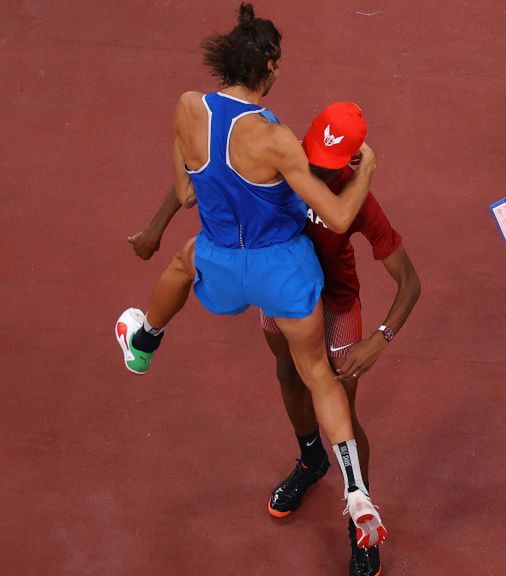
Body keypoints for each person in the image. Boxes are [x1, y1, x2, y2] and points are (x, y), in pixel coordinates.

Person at [114, 3, 387, 550]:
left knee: (182, 260)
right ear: (269, 67)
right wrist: (369, 171)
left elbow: (188, 189)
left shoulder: (188, 109)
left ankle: (145, 340)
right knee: (318, 375)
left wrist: (156, 224)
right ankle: (355, 491)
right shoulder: (276, 139)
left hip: (220, 260)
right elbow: (335, 216)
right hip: (283, 271)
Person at [130, 102, 419, 575]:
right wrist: (155, 228)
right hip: (280, 293)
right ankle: (311, 462)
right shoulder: (285, 167)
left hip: (337, 307)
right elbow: (203, 178)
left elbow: (410, 281)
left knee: (342, 408)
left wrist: (381, 338)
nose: (318, 178)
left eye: (330, 170)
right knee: (288, 375)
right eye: (315, 166)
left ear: (351, 164)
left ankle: (359, 517)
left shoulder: (360, 202)